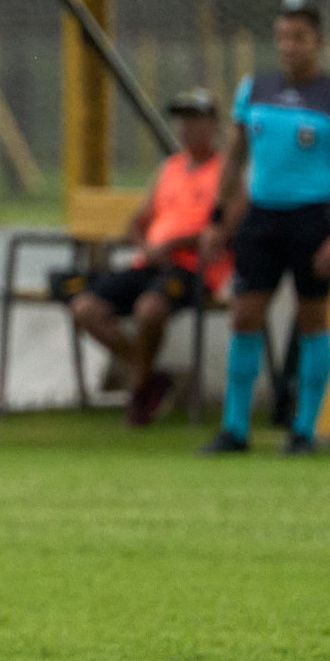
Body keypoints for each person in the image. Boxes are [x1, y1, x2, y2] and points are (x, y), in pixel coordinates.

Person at [199, 9, 330, 455]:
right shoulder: (253, 91)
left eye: (299, 37)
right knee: (244, 316)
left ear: (318, 43)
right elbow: (235, 159)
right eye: (282, 37)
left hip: (312, 220)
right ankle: (235, 428)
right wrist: (219, 221)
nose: (289, 46)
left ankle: (304, 431)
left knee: (313, 320)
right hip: (261, 219)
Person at [67, 88, 229, 427]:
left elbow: (227, 228)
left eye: (195, 119)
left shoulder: (226, 172)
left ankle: (141, 388)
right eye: (182, 120)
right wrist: (145, 246)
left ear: (213, 124)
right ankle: (149, 379)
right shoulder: (170, 168)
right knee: (84, 309)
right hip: (150, 263)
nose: (186, 127)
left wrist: (171, 245)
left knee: (149, 309)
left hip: (193, 268)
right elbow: (136, 222)